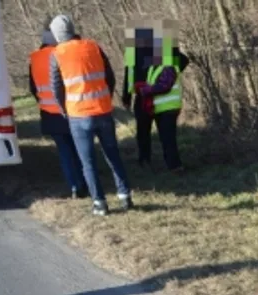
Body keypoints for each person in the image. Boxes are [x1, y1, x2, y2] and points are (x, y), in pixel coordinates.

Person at [47, 14, 133, 217]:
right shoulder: (93, 46)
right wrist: (106, 99)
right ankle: (125, 195)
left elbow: (56, 87)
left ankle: (99, 203)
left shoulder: (57, 54)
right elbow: (109, 77)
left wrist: (64, 110)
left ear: (56, 35)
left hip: (78, 115)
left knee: (88, 162)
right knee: (113, 155)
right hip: (102, 110)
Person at [27, 28, 86, 199]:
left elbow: (33, 88)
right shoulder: (61, 53)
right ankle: (85, 183)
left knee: (64, 151)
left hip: (49, 113)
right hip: (69, 109)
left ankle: (74, 186)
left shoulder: (34, 59)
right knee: (79, 149)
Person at [121, 42, 191, 173]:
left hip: (148, 96)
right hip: (150, 96)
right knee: (165, 134)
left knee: (145, 133)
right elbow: (184, 60)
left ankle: (145, 162)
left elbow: (129, 74)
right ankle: (171, 165)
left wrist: (127, 96)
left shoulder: (136, 49)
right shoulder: (163, 47)